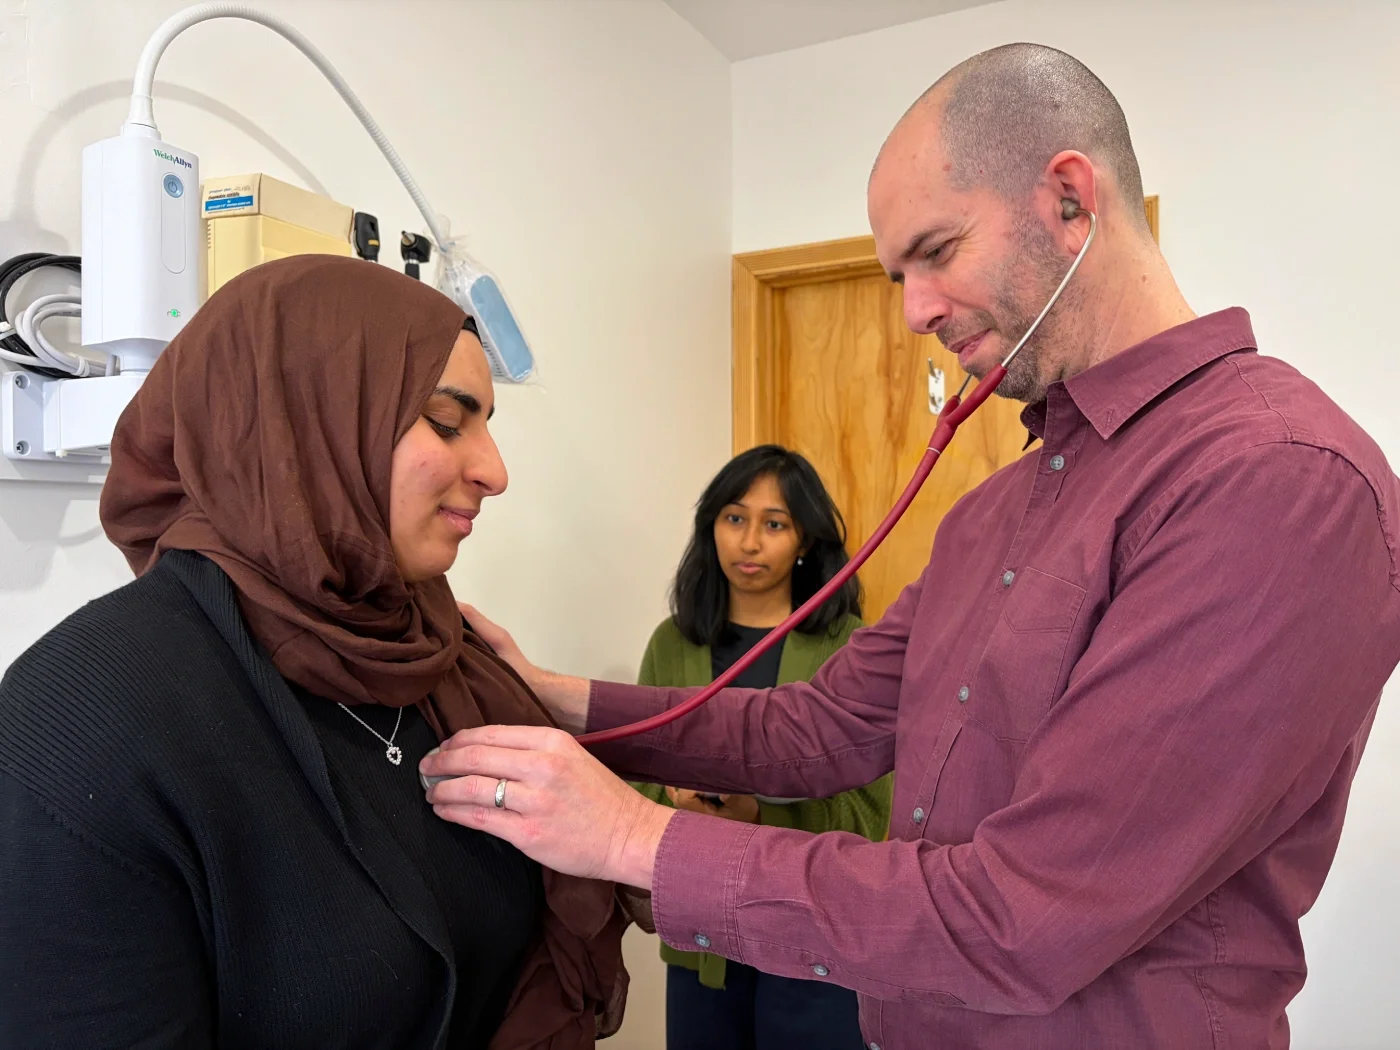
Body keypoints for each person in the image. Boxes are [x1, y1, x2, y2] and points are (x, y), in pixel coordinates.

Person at [421, 43, 1400, 1050]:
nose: (913, 312)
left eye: (936, 251)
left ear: (1069, 197)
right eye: (898, 274)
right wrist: (549, 695)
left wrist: (633, 837)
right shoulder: (997, 510)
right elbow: (811, 732)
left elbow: (1019, 920)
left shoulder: (1274, 480)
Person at [0, 255, 632, 1049]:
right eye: (446, 418)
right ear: (310, 421)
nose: (494, 472)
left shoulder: (433, 653)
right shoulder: (83, 726)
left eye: (487, 427)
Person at [631, 444, 890, 1050]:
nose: (749, 542)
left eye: (774, 524)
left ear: (804, 540)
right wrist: (677, 805)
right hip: (701, 939)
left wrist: (762, 816)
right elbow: (634, 772)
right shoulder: (672, 642)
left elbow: (876, 814)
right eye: (734, 517)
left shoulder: (853, 646)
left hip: (815, 938)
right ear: (710, 527)